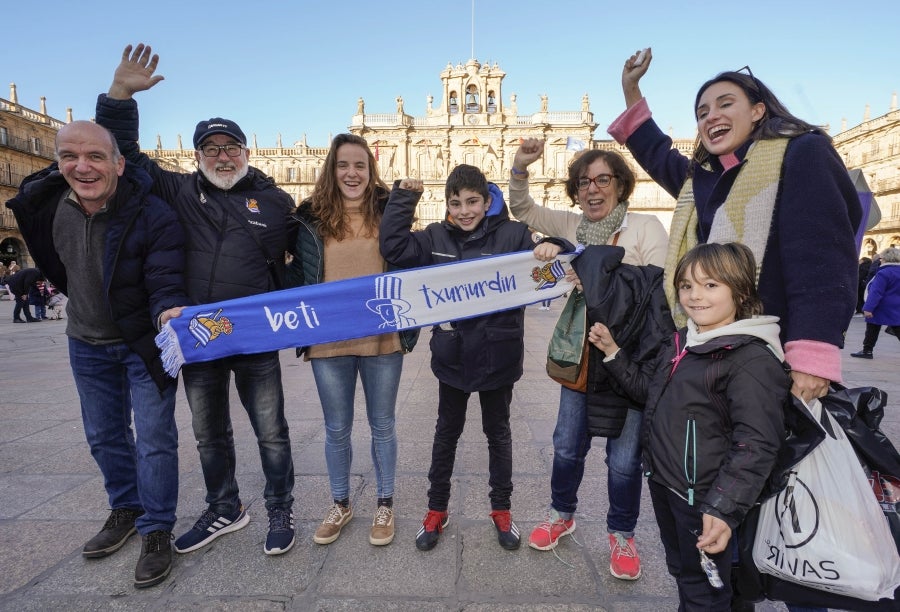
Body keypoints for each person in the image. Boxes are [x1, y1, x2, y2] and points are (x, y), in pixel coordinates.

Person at [96, 43, 298, 556]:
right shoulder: (177, 191)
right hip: (199, 334)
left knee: (271, 431)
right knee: (210, 436)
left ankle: (280, 509)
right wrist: (120, 95)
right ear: (197, 157)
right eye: (212, 149)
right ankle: (224, 507)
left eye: (232, 147)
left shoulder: (276, 202)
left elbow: (314, 252)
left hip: (255, 336)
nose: (223, 155)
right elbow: (127, 155)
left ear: (247, 153)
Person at [608, 49, 862, 405]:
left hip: (775, 351)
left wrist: (813, 353)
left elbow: (823, 256)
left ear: (758, 110)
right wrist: (630, 89)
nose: (712, 116)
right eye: (702, 112)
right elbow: (657, 153)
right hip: (713, 346)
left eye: (725, 104)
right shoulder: (706, 178)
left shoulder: (803, 153)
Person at [5, 120, 188, 588]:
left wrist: (167, 310)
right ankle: (126, 507)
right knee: (104, 435)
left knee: (154, 439)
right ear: (57, 162)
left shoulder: (153, 214)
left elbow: (165, 273)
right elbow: (51, 259)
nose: (82, 166)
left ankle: (157, 530)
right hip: (85, 341)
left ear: (119, 164)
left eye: (95, 157)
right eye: (70, 156)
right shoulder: (43, 205)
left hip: (142, 342)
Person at [380, 165, 570, 552]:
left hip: (499, 356)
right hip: (452, 357)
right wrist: (403, 198)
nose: (465, 211)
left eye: (472, 202)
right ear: (447, 204)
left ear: (487, 201)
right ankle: (436, 509)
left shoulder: (514, 234)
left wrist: (557, 246)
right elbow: (394, 248)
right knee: (445, 434)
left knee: (498, 434)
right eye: (456, 203)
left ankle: (501, 509)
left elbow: (557, 253)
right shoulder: (434, 236)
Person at [589, 242, 789, 610]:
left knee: (703, 591)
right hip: (669, 485)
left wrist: (723, 508)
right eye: (686, 285)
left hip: (706, 499)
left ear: (740, 290)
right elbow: (648, 392)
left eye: (710, 285)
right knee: (691, 576)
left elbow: (757, 444)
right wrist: (614, 353)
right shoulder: (682, 341)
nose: (695, 296)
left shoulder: (750, 359)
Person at [509, 139, 668, 579]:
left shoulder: (646, 228)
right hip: (580, 354)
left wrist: (592, 273)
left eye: (603, 180)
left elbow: (656, 292)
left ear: (621, 186)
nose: (593, 189)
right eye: (584, 182)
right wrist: (521, 166)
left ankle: (622, 533)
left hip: (627, 358)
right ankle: (562, 513)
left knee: (624, 457)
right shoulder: (571, 226)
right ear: (576, 190)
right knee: (566, 444)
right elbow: (523, 209)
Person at [286, 134, 418, 547]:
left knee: (383, 425)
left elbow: (417, 259)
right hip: (327, 338)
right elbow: (291, 274)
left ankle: (385, 503)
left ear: (371, 169)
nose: (352, 173)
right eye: (343, 165)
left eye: (360, 165)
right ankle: (340, 502)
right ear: (332, 169)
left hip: (383, 336)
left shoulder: (389, 212)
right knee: (336, 428)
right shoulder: (307, 218)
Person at [852, 247, 900, 357]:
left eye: (881, 258)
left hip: (880, 306)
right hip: (897, 306)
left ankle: (867, 351)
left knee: (872, 328)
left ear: (886, 258)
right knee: (897, 327)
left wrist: (868, 308)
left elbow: (876, 292)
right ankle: (867, 350)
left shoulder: (884, 273)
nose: (880, 260)